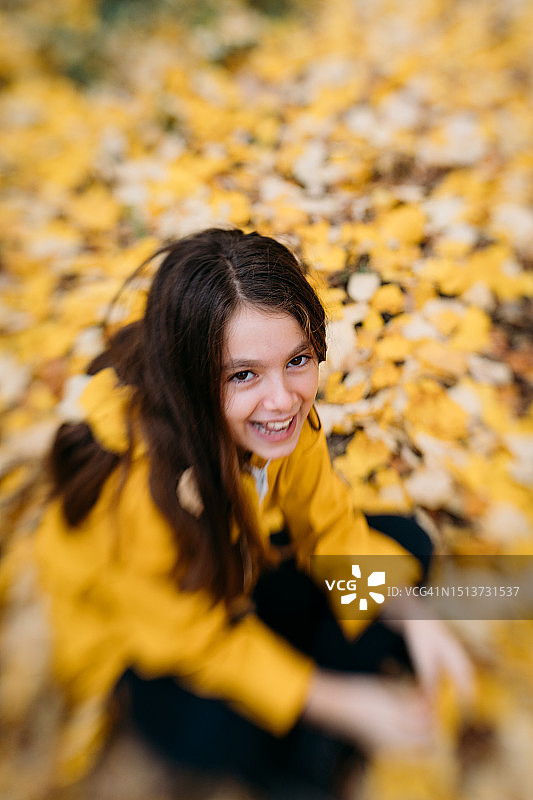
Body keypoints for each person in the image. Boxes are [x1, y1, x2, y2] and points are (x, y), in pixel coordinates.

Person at [31, 228, 472, 798]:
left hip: (238, 573)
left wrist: (416, 620)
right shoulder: (136, 489)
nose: (284, 399)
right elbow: (193, 642)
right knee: (218, 730)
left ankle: (324, 709)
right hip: (156, 649)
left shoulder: (281, 422)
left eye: (297, 361)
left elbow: (328, 528)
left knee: (406, 545)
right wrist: (339, 703)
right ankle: (304, 745)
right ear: (190, 378)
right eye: (243, 374)